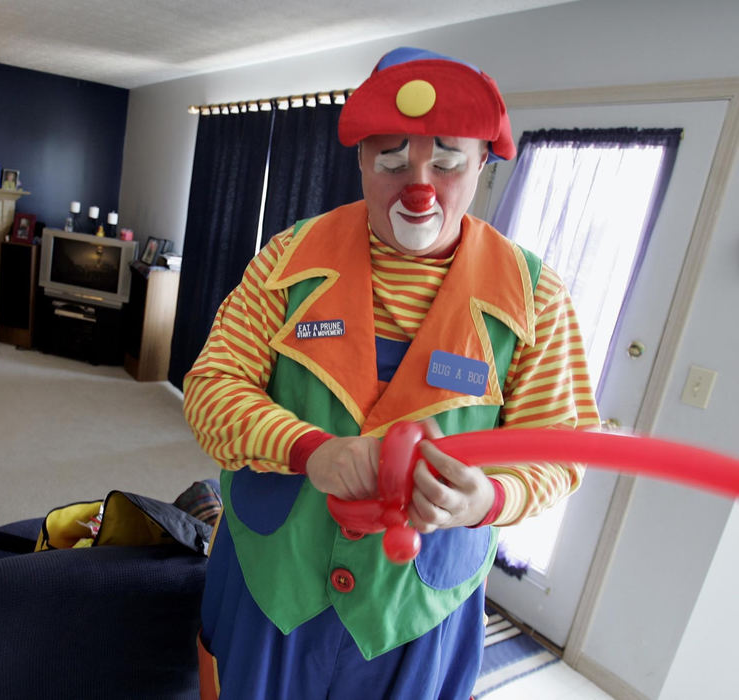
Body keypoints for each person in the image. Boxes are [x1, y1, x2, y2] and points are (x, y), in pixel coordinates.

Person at [183, 47, 600, 699]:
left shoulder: (534, 296)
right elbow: (211, 390)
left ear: (482, 162)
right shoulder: (287, 259)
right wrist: (307, 449)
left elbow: (559, 449)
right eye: (392, 157)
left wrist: (486, 500)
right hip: (275, 573)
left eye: (446, 158)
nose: (419, 181)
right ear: (360, 158)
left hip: (416, 599)